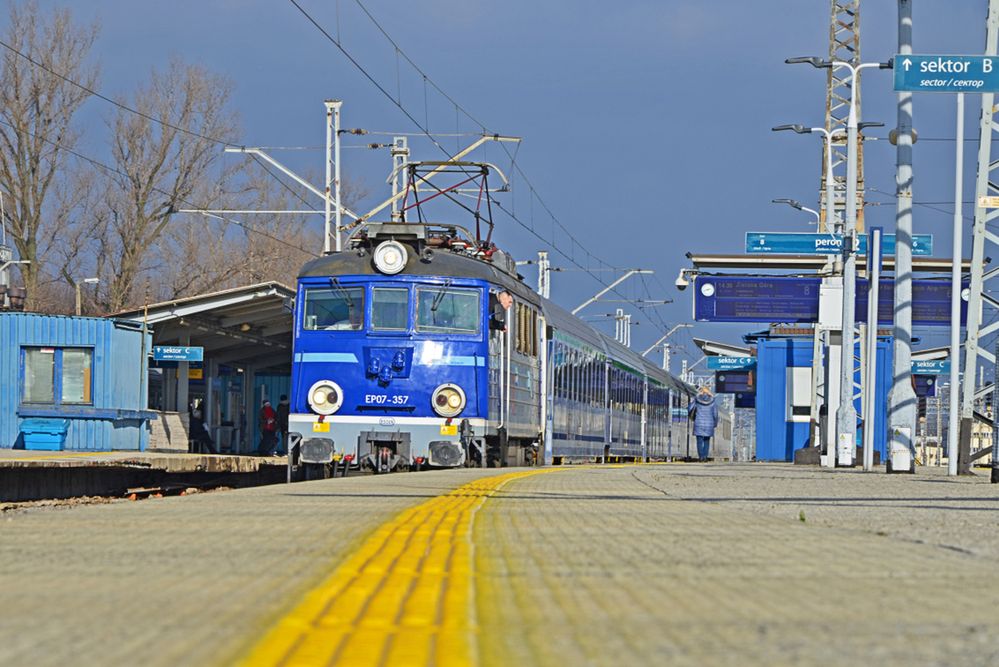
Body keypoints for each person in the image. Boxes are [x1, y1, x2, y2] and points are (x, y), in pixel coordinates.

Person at [688, 386, 719, 462]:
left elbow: (689, 408)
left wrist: (697, 396)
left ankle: (701, 457)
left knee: (699, 441)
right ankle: (705, 457)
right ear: (709, 392)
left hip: (698, 423)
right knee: (706, 441)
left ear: (701, 392)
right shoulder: (713, 402)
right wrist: (714, 424)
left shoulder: (697, 400)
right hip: (709, 424)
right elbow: (715, 414)